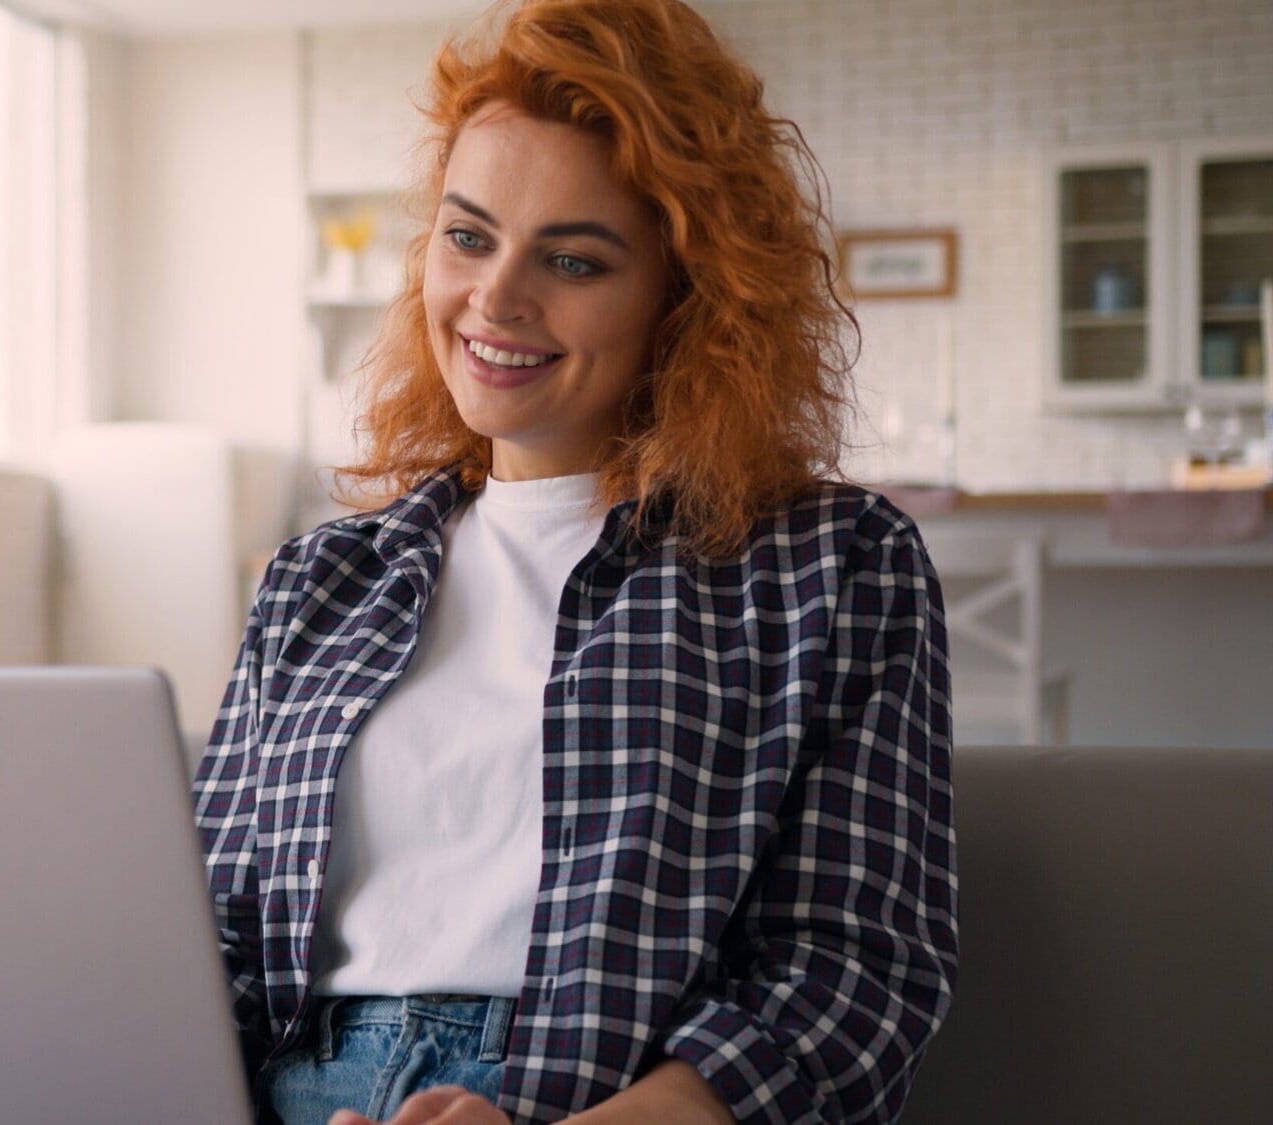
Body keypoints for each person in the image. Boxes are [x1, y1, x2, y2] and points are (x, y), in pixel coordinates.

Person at [191, 0, 958, 1122]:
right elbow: (209, 941)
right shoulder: (319, 579)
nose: (495, 298)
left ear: (685, 300)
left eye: (572, 259)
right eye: (468, 237)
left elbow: (853, 975)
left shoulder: (831, 569)